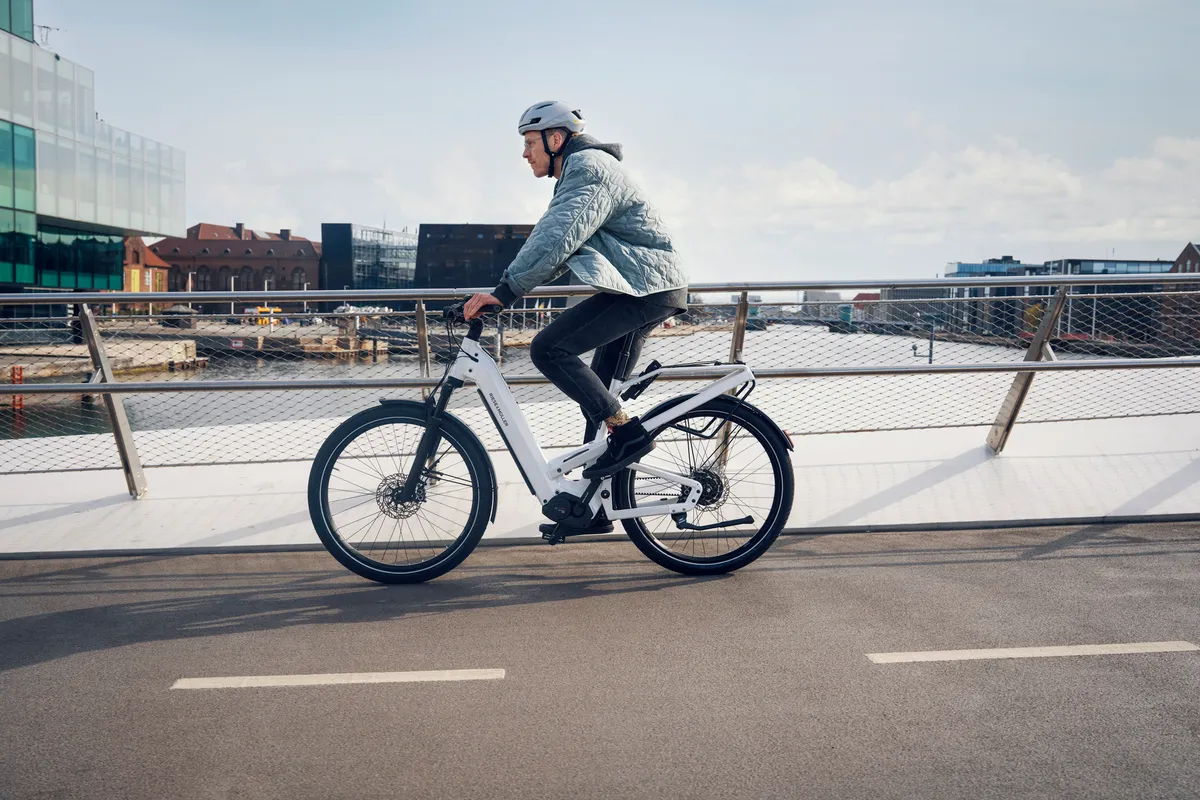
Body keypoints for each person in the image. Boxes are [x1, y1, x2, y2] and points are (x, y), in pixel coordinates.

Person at [464, 101, 688, 535]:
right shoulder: (581, 170)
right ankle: (597, 510)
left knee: (548, 348)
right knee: (600, 398)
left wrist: (505, 291)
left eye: (530, 143)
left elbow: (556, 237)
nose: (525, 154)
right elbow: (561, 240)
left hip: (646, 289)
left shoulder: (587, 168)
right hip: (642, 287)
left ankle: (629, 434)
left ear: (555, 138)